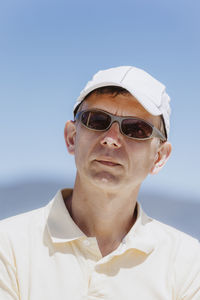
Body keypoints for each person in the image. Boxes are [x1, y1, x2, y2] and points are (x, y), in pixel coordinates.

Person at [0, 66, 199, 299]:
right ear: (72, 137)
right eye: (97, 120)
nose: (111, 139)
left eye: (136, 129)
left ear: (159, 157)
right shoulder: (8, 246)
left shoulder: (188, 264)